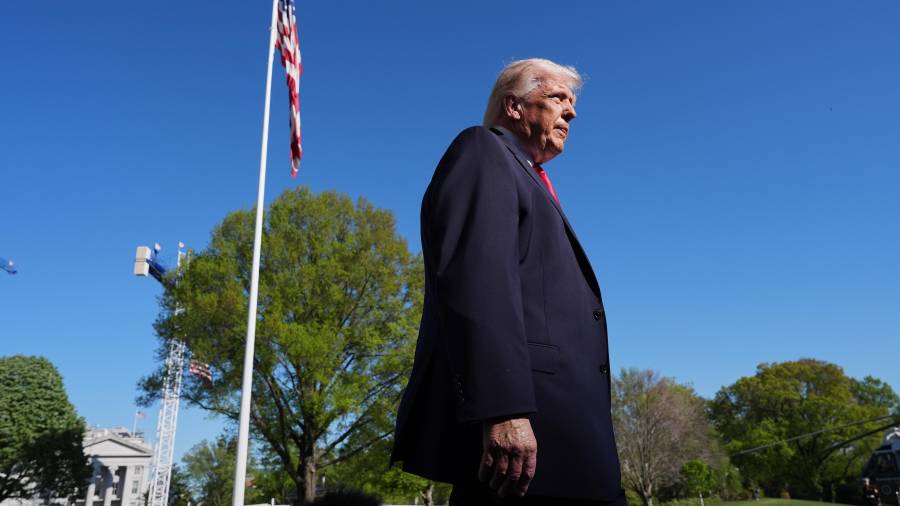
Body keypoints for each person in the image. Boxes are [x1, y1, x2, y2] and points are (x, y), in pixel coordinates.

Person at [391, 58, 624, 505]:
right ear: (514, 106)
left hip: (570, 439)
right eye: (558, 98)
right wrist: (502, 409)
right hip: (524, 442)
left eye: (572, 103)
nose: (571, 113)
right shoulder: (484, 151)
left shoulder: (533, 180)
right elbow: (478, 281)